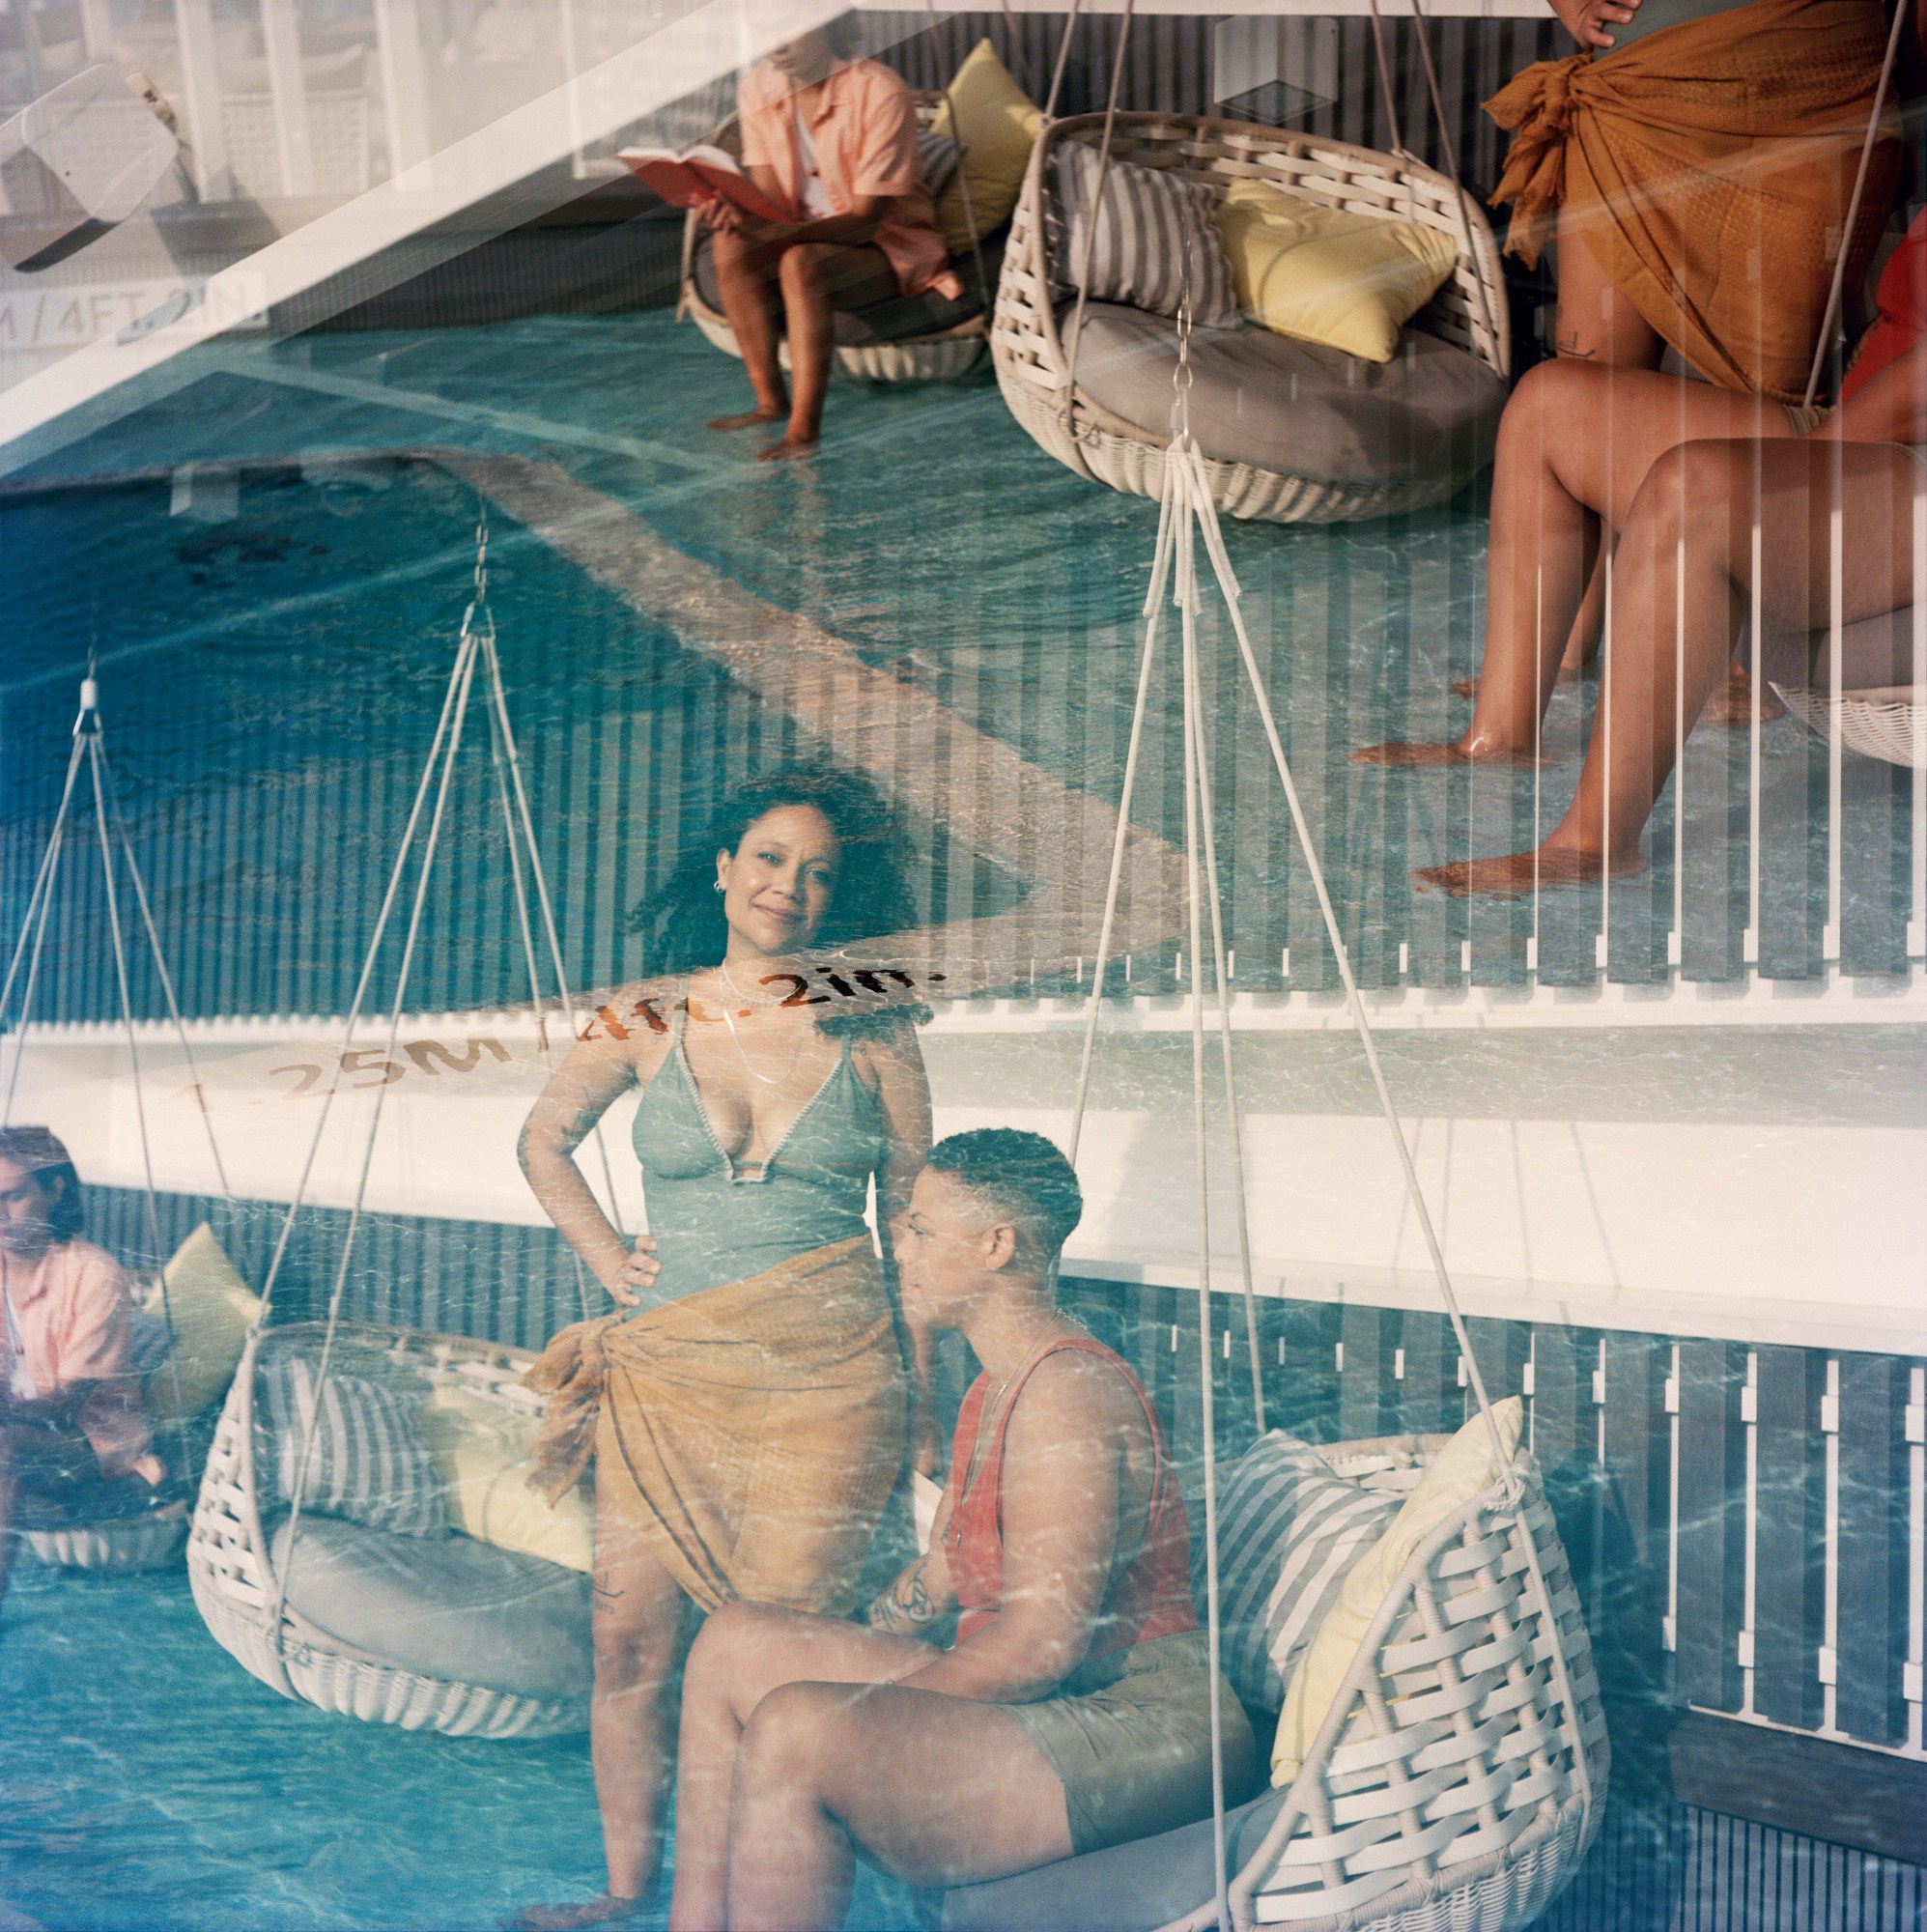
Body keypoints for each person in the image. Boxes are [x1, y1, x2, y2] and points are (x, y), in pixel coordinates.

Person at [512, 766, 935, 1931]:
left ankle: (746, 1914)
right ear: (721, 867)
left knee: (777, 1658)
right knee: (623, 1636)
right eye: (766, 857)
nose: (787, 886)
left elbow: (913, 1228)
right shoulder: (648, 1013)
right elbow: (544, 1139)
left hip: (830, 1376)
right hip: (669, 1370)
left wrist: (928, 1393)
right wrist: (610, 1259)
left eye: (817, 871)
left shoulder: (877, 1024)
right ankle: (624, 1888)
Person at [666, 1128, 1258, 1932]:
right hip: (1058, 1699)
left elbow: (1037, 1649)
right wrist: (867, 1643)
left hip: (1140, 1727)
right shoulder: (993, 1390)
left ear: (995, 1246)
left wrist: (859, 1714)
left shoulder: (1066, 1391)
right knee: (734, 1641)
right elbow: (937, 1578)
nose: (899, 1252)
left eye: (918, 1229)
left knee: (798, 1728)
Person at [1356, 212, 1927, 896]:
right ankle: (1501, 737)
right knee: (1550, 406)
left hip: (1900, 451)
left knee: (1697, 494)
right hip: (1869, 418)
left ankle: (1595, 843)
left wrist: (1796, 476)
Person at [701, 21, 962, 460]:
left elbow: (865, 221)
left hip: (885, 245)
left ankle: (804, 432)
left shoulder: (880, 91)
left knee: (801, 263)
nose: (777, 44)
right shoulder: (759, 87)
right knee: (728, 243)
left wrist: (777, 234)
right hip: (800, 230)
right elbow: (771, 200)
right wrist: (737, 211)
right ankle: (770, 403)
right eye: (765, 30)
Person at [0, 1126, 167, 1614]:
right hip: (18, 1423)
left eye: (12, 1196)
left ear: (55, 1191)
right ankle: (40, 1508)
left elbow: (67, 1404)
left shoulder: (93, 1273)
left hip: (91, 1440)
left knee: (3, 1449)